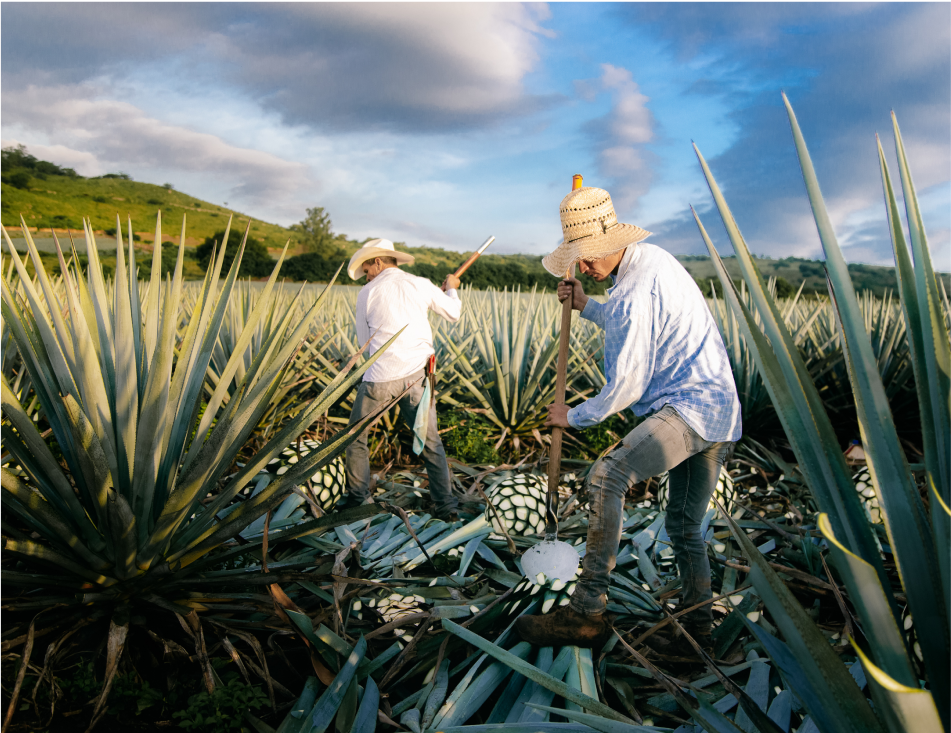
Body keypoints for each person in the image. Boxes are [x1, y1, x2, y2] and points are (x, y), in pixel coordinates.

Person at [516, 187, 742, 653]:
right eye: (575, 259)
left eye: (586, 256)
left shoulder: (636, 288)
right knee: (683, 528)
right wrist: (587, 306)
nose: (582, 267)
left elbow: (627, 387)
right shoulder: (649, 261)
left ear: (612, 239)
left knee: (607, 475)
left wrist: (572, 415)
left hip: (688, 408)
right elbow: (628, 320)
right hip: (719, 412)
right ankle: (701, 634)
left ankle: (586, 610)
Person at [342, 238, 462, 520]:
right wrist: (452, 290)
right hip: (417, 379)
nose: (366, 274)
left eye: (367, 268)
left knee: (356, 438)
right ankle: (446, 508)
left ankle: (358, 501)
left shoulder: (367, 293)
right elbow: (453, 313)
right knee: (432, 442)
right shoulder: (420, 283)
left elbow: (363, 343)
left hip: (379, 380)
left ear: (379, 262)